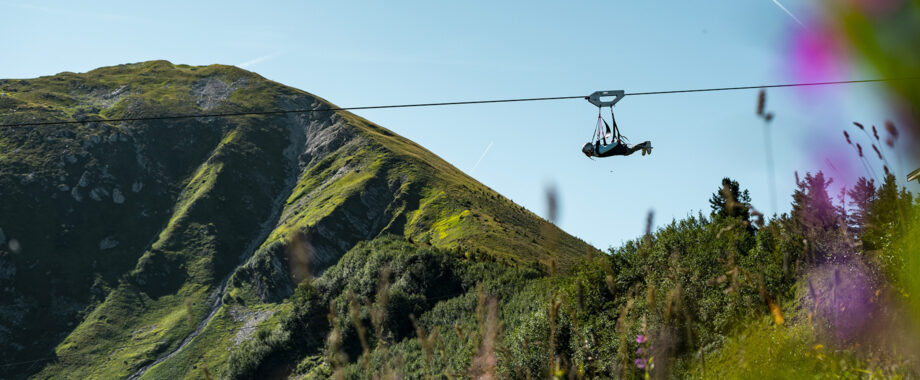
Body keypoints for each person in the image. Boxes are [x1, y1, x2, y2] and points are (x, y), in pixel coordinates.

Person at [582, 139, 652, 158]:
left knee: (629, 151)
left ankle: (645, 144)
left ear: (590, 150)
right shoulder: (594, 150)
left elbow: (607, 147)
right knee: (630, 151)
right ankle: (644, 145)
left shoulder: (599, 151)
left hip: (619, 149)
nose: (586, 155)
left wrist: (616, 143)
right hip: (616, 149)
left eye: (586, 153)